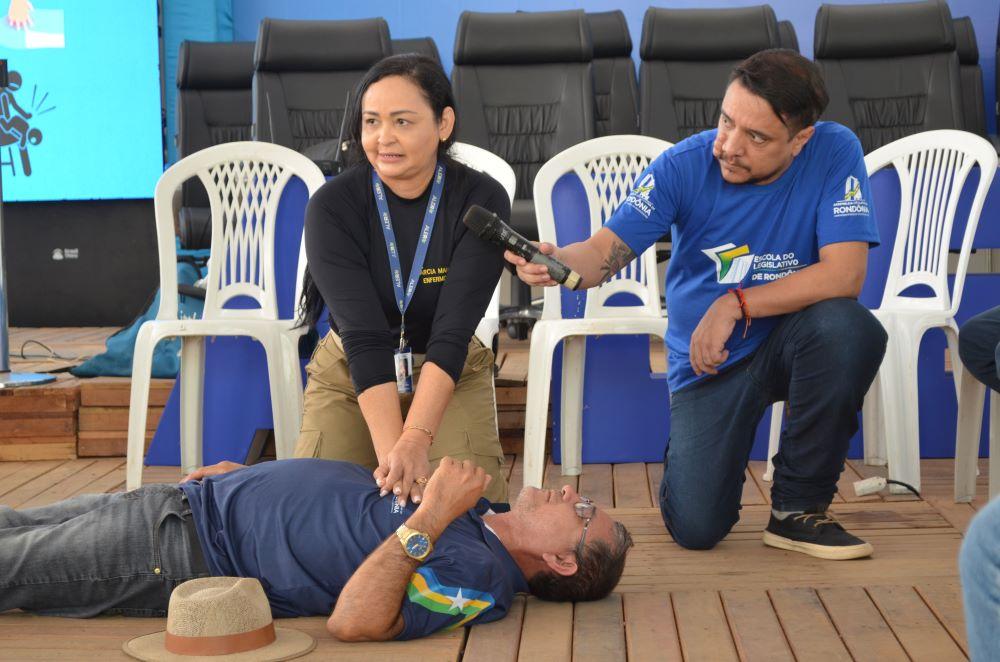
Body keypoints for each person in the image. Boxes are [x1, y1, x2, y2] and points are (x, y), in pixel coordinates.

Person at [507, 49, 887, 560]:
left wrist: (734, 303)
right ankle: (688, 461)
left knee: (850, 328)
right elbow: (602, 253)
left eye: (756, 137)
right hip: (711, 363)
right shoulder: (683, 165)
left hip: (794, 341)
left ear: (800, 140)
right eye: (726, 122)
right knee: (697, 527)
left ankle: (797, 510)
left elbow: (845, 275)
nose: (729, 147)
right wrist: (557, 264)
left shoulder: (834, 150)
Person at [0, 457, 632, 641]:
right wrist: (246, 476)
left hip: (182, 554)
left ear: (563, 562)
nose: (570, 492)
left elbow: (356, 621)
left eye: (582, 511)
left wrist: (436, 513)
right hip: (191, 500)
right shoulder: (483, 514)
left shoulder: (480, 579)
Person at [296, 53, 509, 506]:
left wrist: (417, 439)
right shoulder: (332, 206)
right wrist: (400, 466)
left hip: (449, 371)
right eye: (371, 121)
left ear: (444, 123)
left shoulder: (482, 198)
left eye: (403, 122)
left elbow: (453, 333)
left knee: (475, 521)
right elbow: (364, 337)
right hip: (351, 375)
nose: (383, 138)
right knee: (319, 514)